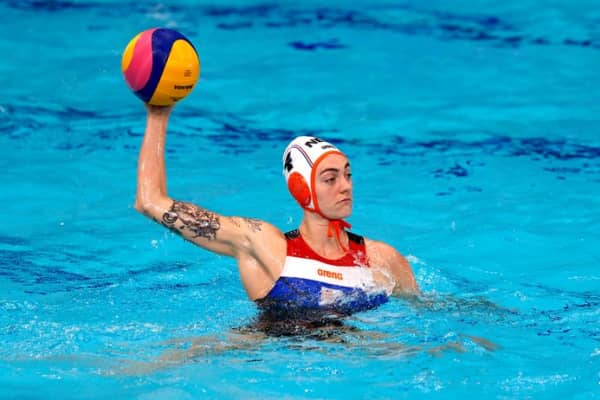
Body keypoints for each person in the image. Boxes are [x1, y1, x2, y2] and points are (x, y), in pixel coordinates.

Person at [134, 104, 419, 320]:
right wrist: (158, 114)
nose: (345, 186)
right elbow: (150, 201)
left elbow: (425, 315)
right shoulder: (265, 245)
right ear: (301, 188)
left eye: (348, 174)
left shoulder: (382, 258)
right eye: (330, 179)